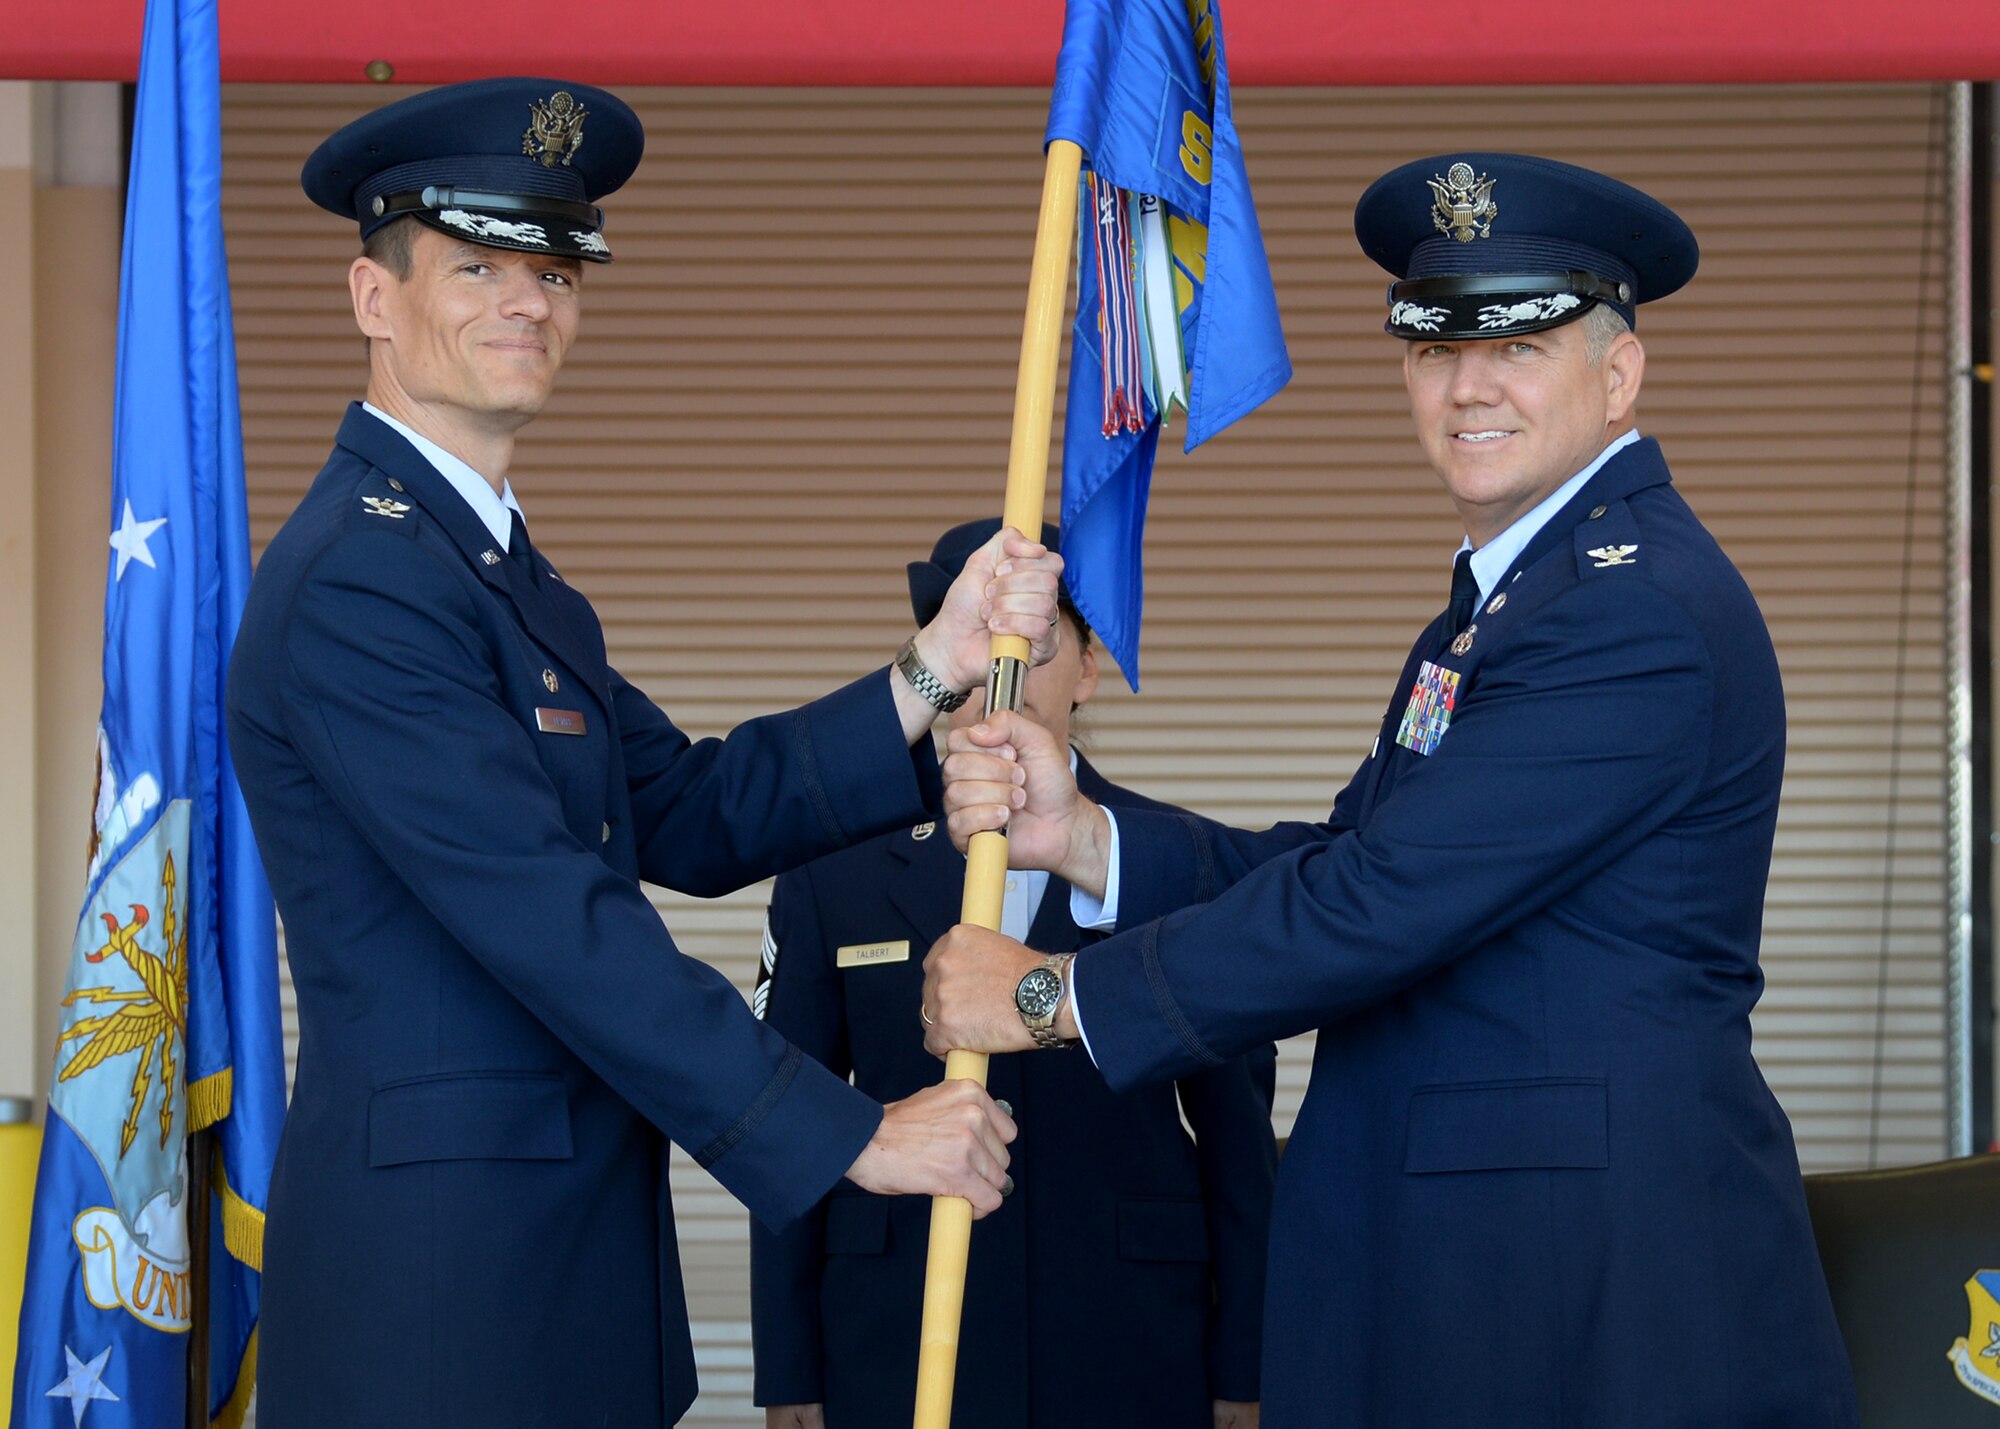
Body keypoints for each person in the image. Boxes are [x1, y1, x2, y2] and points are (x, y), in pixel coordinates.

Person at [921, 153, 1862, 1426]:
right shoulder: (1507, 605)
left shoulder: (1628, 610)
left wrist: (1047, 995)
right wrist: (1084, 840)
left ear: (1618, 373)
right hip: (1480, 1277)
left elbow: (1378, 903)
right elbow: (1356, 859)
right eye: (1433, 346)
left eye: (1519, 343)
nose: (1467, 384)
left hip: (1584, 1298)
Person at [224, 78, 1063, 1428]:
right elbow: (555, 920)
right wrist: (850, 1133)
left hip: (559, 1264)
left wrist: (935, 671)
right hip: (443, 1292)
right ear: (374, 300)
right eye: (479, 264)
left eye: (554, 269)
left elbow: (687, 807)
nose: (529, 302)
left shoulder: (500, 579)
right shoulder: (358, 585)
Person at [749, 520, 1278, 1429]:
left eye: (1031, 646)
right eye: (983, 641)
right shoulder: (832, 868)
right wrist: (788, 1366)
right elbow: (785, 1108)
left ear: (1088, 668)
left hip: (1127, 1337)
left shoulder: (1170, 862)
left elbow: (1237, 1135)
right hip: (897, 1328)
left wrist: (1249, 1361)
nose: (1002, 674)